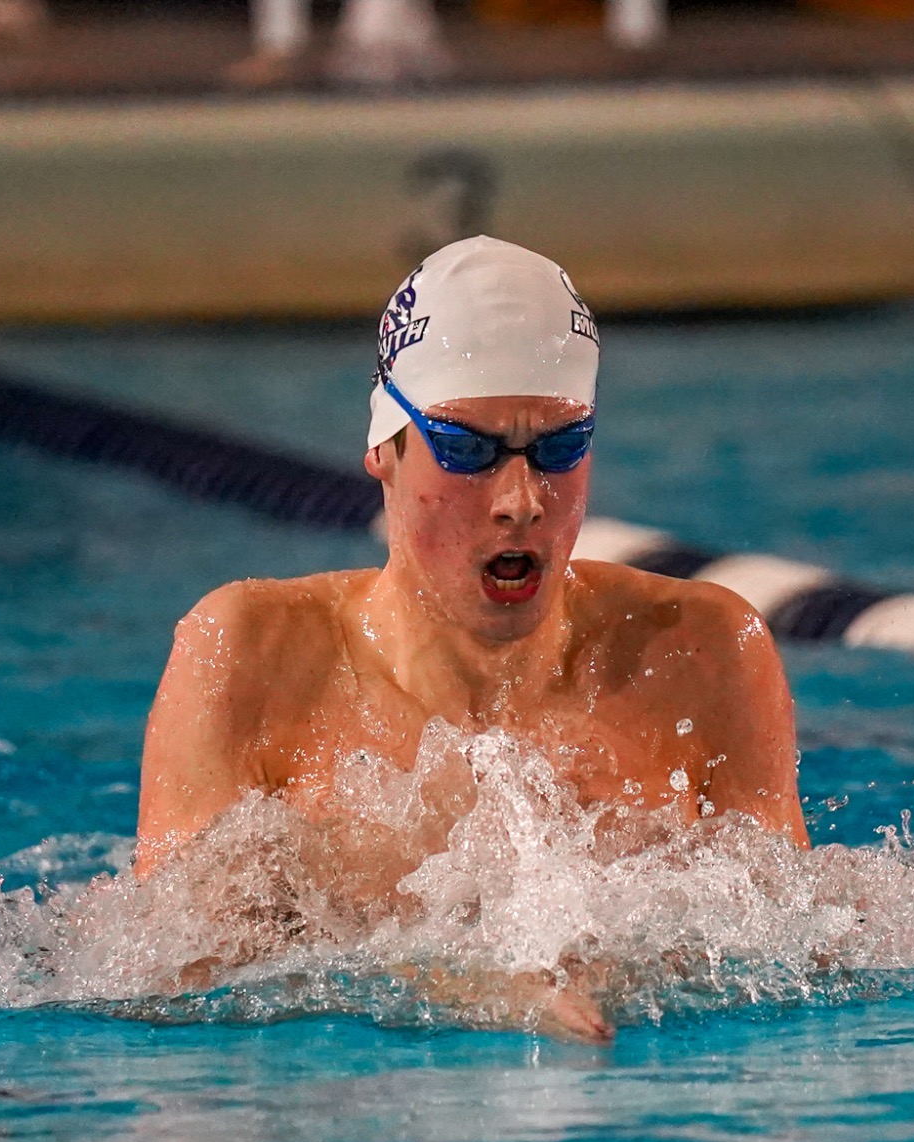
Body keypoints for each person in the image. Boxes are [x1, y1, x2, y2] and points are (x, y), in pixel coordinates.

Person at [134, 237, 808, 1040]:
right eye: (465, 449)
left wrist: (629, 968)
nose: (521, 499)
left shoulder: (705, 651)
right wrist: (462, 988)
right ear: (386, 448)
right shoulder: (249, 653)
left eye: (559, 448)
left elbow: (800, 947)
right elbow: (172, 973)